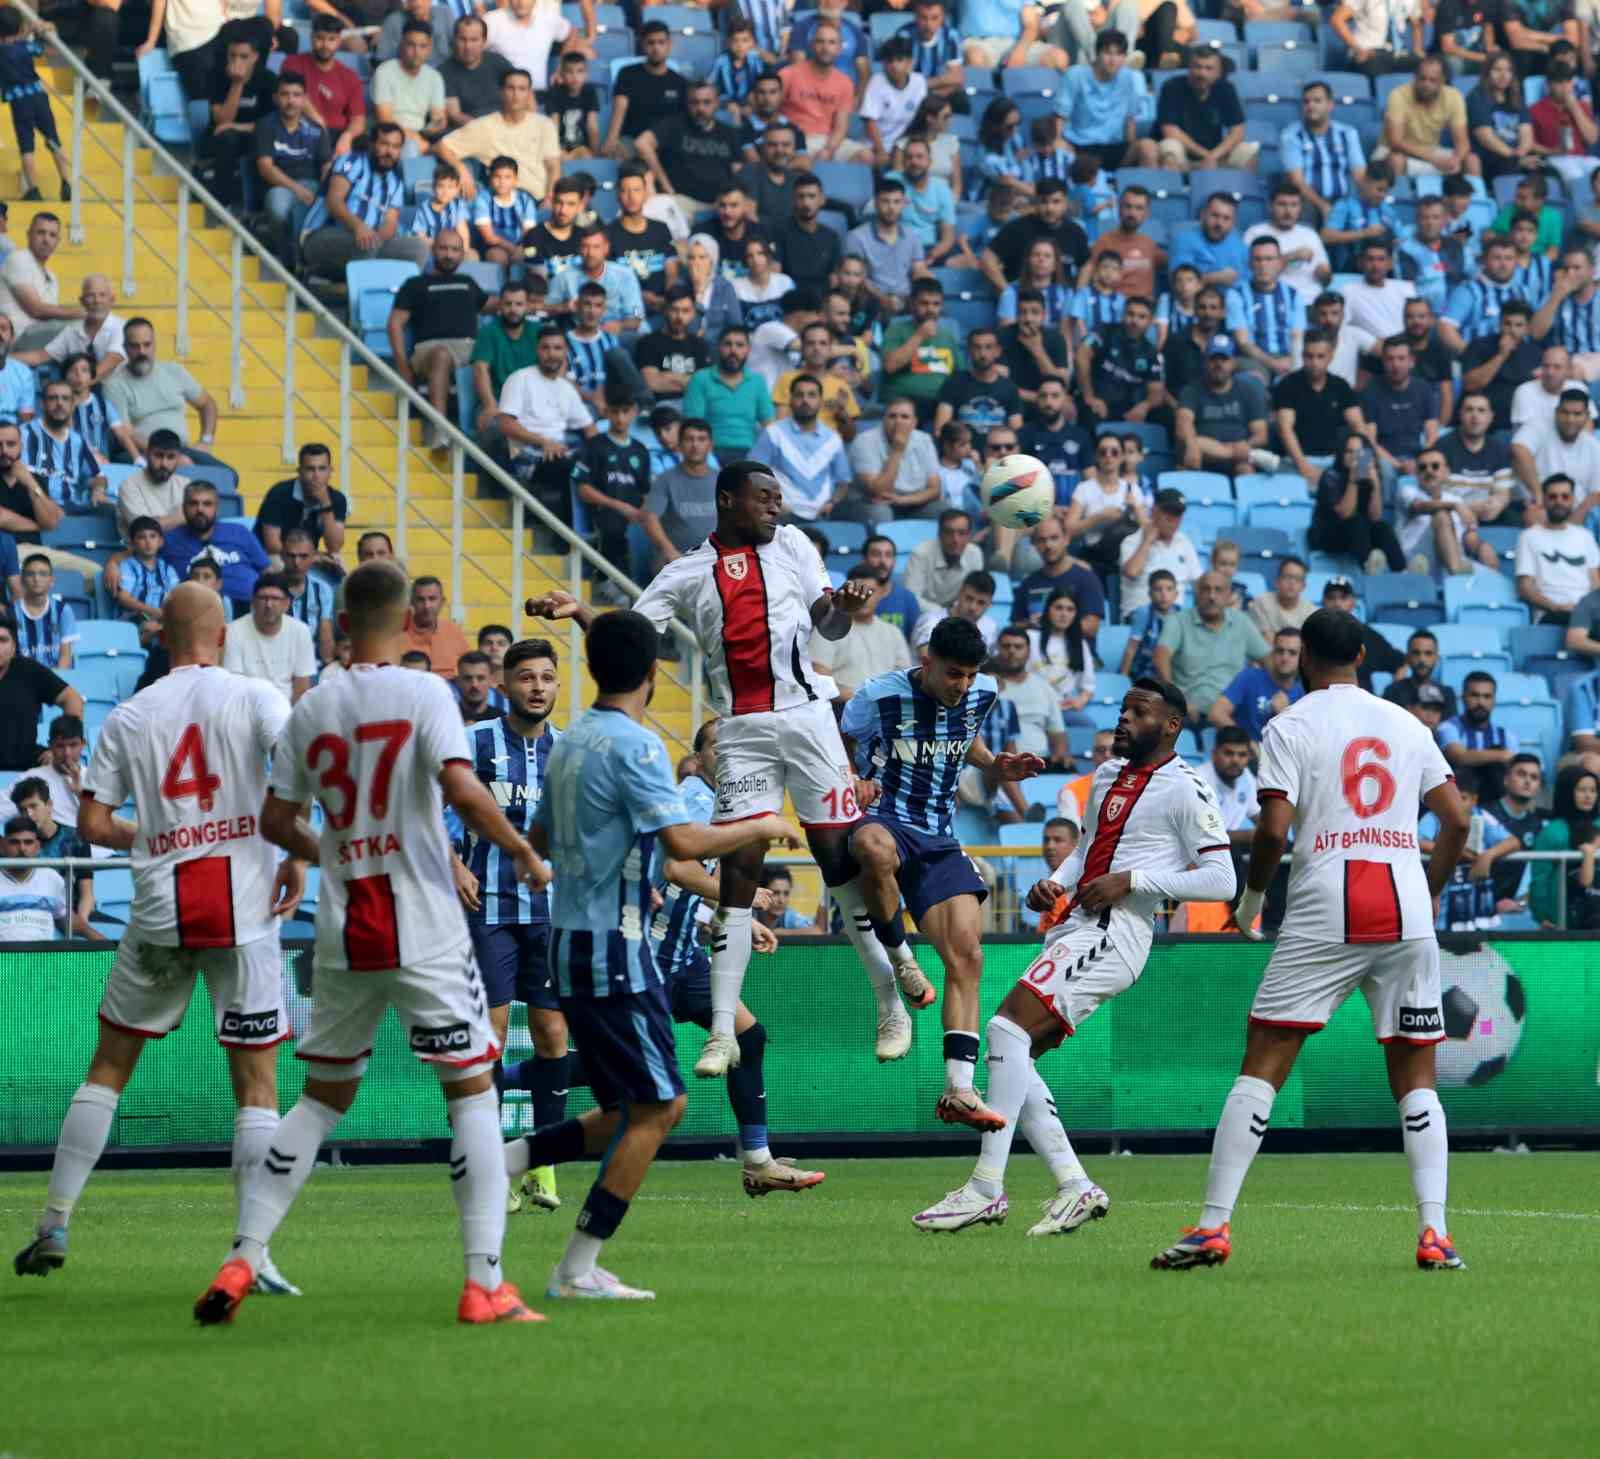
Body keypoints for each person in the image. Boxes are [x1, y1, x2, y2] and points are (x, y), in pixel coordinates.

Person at [193, 560, 550, 1325]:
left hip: (345, 920)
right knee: (471, 1089)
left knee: (321, 1099)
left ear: (343, 623)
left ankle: (244, 1253)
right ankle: (485, 1282)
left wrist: (331, 846)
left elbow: (275, 819)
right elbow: (458, 786)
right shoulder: (426, 692)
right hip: (420, 915)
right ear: (408, 622)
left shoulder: (313, 707)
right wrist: (520, 849)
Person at [534, 465, 935, 1076]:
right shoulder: (689, 571)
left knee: (836, 859)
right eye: (765, 498)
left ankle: (888, 999)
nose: (777, 507)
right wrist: (584, 611)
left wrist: (846, 609)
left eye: (779, 498)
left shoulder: (796, 545)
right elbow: (635, 637)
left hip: (807, 718)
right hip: (741, 731)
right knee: (740, 873)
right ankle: (721, 1030)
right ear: (728, 501)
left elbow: (825, 624)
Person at [1153, 609, 1470, 1273]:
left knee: (1267, 1051)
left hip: (1329, 899)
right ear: (1362, 652)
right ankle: (1435, 1231)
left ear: (1301, 661)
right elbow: (1456, 819)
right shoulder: (1407, 723)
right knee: (1414, 1071)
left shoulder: (1291, 724)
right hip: (1405, 905)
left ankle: (1213, 1226)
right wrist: (1428, 889)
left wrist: (1252, 898)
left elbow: (1271, 830)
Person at [14, 584, 303, 1292]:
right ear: (223, 636)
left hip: (161, 906)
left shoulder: (131, 715)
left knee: (109, 1065)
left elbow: (91, 824)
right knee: (256, 1082)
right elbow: (295, 770)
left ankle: (55, 1219)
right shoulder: (256, 693)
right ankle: (250, 1250)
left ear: (163, 639)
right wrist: (292, 848)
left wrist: (158, 834)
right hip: (241, 906)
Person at [915, 678, 1232, 1233]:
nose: (1124, 720)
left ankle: (987, 1186)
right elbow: (1087, 851)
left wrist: (1132, 881)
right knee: (1016, 1052)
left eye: (1139, 712)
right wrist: (1057, 883)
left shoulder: (1187, 788)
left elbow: (1222, 879)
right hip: (1078, 924)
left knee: (1006, 1031)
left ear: (1172, 726)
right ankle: (1075, 1185)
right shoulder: (1109, 775)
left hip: (1118, 931)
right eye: (1124, 709)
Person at [844, 618, 1042, 1127]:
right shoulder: (877, 697)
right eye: (954, 674)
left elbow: (966, 738)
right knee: (869, 844)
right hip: (887, 819)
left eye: (971, 676)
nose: (962, 686)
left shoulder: (981, 695)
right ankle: (900, 957)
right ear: (926, 660)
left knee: (968, 956)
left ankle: (959, 1089)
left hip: (939, 836)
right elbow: (839, 739)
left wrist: (996, 765)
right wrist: (855, 777)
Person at [447, 637, 567, 1210]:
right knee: (488, 1040)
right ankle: (489, 1166)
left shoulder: (568, 752)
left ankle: (541, 1165)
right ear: (505, 685)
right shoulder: (474, 742)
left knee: (552, 1038)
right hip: (488, 911)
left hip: (550, 915)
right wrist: (452, 864)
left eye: (547, 678)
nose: (537, 687)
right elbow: (428, 805)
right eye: (526, 678)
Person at [1153, 571, 1271, 728]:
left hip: (1234, 712)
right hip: (1192, 713)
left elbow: (1269, 660)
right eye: (1206, 589)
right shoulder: (1178, 621)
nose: (1212, 596)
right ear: (1197, 593)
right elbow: (1161, 656)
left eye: (1218, 590)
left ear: (1228, 594)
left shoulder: (1241, 621)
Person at [432, 68, 562, 206]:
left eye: (522, 89)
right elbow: (441, 146)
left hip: (542, 199)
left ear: (530, 94)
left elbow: (553, 167)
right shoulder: (484, 126)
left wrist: (550, 197)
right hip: (507, 200)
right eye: (510, 88)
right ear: (501, 92)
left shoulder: (544, 124)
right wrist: (461, 169)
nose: (516, 94)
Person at [101, 319, 223, 464]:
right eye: (135, 346)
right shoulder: (114, 384)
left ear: (155, 345)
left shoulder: (174, 371)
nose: (142, 351)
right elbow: (124, 433)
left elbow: (207, 403)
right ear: (125, 348)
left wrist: (206, 440)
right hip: (139, 454)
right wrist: (169, 455)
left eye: (147, 345)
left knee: (228, 475)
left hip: (181, 450)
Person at [1054, 29, 1159, 173]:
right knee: (1058, 147)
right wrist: (1058, 139)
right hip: (1080, 146)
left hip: (1114, 146)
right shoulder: (1074, 75)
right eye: (1108, 53)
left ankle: (1143, 193)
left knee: (1148, 147)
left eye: (1119, 54)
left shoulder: (1129, 78)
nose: (1113, 60)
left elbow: (1130, 120)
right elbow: (1060, 117)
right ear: (1097, 54)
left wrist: (1132, 147)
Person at [161, 480, 269, 615]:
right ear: (183, 508)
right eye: (193, 504)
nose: (200, 509)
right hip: (196, 611)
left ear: (217, 508)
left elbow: (267, 570)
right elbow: (140, 558)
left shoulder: (239, 532)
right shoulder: (169, 540)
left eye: (207, 504)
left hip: (250, 607)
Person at [809, 563, 915, 698]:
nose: (863, 598)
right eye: (858, 591)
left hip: (886, 710)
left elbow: (905, 680)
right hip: (842, 710)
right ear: (847, 591)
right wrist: (865, 698)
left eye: (870, 591)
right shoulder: (828, 629)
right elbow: (820, 683)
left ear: (882, 593)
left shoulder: (893, 632)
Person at [1515, 474, 1600, 624]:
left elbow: (1595, 581)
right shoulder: (1529, 537)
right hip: (1551, 613)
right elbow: (1525, 588)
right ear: (1545, 500)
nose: (1559, 501)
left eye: (1565, 497)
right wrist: (1554, 607)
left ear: (1573, 500)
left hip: (1587, 611)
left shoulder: (1585, 536)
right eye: (1553, 497)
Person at [842, 397, 942, 524]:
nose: (898, 421)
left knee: (942, 510)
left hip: (910, 502)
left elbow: (935, 490)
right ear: (883, 420)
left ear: (914, 422)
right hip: (867, 502)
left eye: (904, 417)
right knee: (881, 512)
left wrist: (902, 500)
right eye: (892, 416)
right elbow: (879, 492)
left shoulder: (924, 440)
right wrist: (897, 450)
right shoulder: (864, 441)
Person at [1155, 46, 1254, 173]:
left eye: (1208, 68)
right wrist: (1206, 155)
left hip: (1215, 155)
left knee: (1247, 151)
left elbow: (1237, 132)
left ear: (1218, 72)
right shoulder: (1172, 87)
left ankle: (1241, 191)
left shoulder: (1226, 89)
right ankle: (1174, 191)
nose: (1202, 73)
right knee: (1170, 146)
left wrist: (1214, 155)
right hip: (1184, 155)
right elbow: (1170, 132)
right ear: (1189, 68)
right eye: (1197, 67)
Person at [1281, 81, 1368, 225]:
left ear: (1330, 105)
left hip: (1342, 199)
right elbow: (1297, 181)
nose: (1311, 106)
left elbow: (1359, 174)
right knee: (1299, 208)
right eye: (1306, 102)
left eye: (1317, 101)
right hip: (1307, 199)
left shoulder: (1347, 133)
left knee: (1359, 214)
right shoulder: (1291, 135)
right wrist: (1322, 205)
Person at [221, 571, 316, 703]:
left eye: (275, 598)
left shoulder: (301, 631)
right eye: (263, 598)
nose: (268, 605)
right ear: (253, 602)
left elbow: (302, 685)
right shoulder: (233, 631)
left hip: (287, 710)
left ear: (287, 604)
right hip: (248, 708)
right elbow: (235, 685)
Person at [283, 15, 367, 157]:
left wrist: (348, 136)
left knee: (364, 143)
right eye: (320, 38)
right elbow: (294, 95)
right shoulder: (293, 63)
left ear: (339, 41)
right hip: (301, 129)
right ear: (311, 38)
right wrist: (320, 123)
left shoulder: (349, 76)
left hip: (337, 134)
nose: (325, 45)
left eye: (331, 39)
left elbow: (358, 119)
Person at [1210, 625, 1305, 748]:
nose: (1285, 658)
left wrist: (1284, 714)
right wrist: (1247, 743)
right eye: (1280, 651)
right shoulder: (1250, 677)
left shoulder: (1304, 693)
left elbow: (1302, 744)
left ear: (1302, 657)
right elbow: (1216, 714)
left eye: (1292, 653)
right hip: (1245, 758)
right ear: (1272, 653)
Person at [1529, 765, 1600, 928]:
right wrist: (1541, 914)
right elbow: (1540, 878)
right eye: (1581, 789)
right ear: (1567, 792)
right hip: (1562, 919)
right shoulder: (1552, 832)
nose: (1588, 795)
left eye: (1593, 790)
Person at [640, 417, 717, 563]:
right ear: (680, 445)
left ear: (711, 445)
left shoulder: (723, 480)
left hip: (714, 560)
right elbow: (650, 518)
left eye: (701, 439)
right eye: (689, 439)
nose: (695, 445)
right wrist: (670, 552)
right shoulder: (664, 480)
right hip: (674, 560)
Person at [255, 444, 348, 564]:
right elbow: (272, 545)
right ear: (299, 472)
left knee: (338, 561)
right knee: (276, 562)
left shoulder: (337, 499)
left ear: (330, 471)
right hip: (274, 555)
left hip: (308, 555)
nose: (316, 475)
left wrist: (326, 504)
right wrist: (311, 557)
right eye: (310, 469)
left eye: (322, 469)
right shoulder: (279, 493)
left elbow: (334, 547)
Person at [0, 214, 81, 352]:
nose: (46, 240)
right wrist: (81, 313)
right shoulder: (18, 259)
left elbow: (50, 314)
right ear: (28, 235)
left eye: (52, 235)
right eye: (41, 233)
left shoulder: (51, 276)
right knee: (82, 327)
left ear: (58, 241)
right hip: (17, 337)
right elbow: (36, 310)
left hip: (40, 337)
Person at [1511, 390, 1600, 512]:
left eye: (1577, 414)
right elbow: (1519, 450)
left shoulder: (1593, 446)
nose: (1570, 420)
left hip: (1575, 514)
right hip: (1533, 507)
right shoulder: (1538, 427)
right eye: (1565, 412)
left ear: (1587, 416)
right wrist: (1539, 496)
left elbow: (1596, 494)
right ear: (1556, 412)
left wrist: (1573, 523)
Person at [443, 14, 514, 128]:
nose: (468, 46)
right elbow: (455, 115)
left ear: (484, 41)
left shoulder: (499, 62)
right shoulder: (444, 71)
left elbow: (524, 90)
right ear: (454, 40)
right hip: (470, 132)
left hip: (508, 125)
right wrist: (488, 129)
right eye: (462, 39)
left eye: (474, 40)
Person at [10, 552, 75, 669]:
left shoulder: (63, 610)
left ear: (52, 580)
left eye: (43, 574)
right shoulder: (10, 612)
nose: (36, 579)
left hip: (56, 678)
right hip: (21, 679)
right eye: (30, 574)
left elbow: (66, 655)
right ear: (22, 579)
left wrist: (55, 684)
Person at [401, 575, 470, 677]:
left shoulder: (453, 631)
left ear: (442, 602)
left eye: (432, 599)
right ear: (411, 602)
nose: (426, 606)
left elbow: (470, 668)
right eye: (420, 600)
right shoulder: (396, 634)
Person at [1383, 627, 1459, 716]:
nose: (1422, 659)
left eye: (1428, 653)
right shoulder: (1392, 692)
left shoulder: (1447, 694)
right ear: (1407, 657)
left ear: (1437, 658)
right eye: (1416, 653)